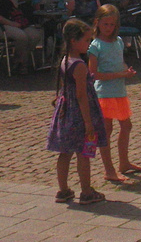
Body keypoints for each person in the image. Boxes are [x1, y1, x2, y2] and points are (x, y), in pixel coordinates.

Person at [49, 18, 107, 205]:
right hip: (80, 115)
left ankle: (63, 189)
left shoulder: (66, 60)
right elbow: (82, 96)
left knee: (65, 152)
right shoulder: (80, 66)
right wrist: (89, 123)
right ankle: (86, 191)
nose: (89, 45)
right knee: (84, 153)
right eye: (86, 40)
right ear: (74, 41)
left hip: (66, 113)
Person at [88, 4, 141, 184]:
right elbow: (93, 74)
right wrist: (120, 74)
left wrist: (127, 71)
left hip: (119, 91)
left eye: (112, 24)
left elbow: (120, 63)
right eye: (105, 25)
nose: (109, 28)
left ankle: (124, 162)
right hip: (104, 93)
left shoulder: (118, 41)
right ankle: (109, 169)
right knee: (106, 130)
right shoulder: (95, 45)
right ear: (98, 23)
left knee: (126, 126)